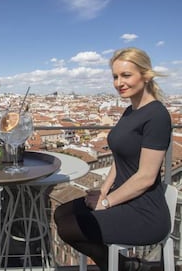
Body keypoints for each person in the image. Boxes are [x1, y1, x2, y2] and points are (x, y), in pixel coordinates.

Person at [54, 47, 172, 271]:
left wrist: (106, 203)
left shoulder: (157, 115)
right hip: (123, 197)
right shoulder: (130, 111)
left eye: (126, 75)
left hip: (144, 211)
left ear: (146, 75)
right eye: (115, 76)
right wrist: (104, 192)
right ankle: (123, 265)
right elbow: (119, 161)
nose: (119, 82)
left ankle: (124, 266)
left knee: (68, 228)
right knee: (61, 214)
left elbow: (146, 177)